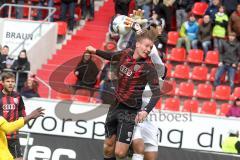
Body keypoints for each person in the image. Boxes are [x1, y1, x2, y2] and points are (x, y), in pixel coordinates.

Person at [86, 27, 161, 160]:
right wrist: (95, 51)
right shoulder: (126, 53)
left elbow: (156, 93)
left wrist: (145, 111)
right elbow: (111, 56)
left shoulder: (148, 67)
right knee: (108, 147)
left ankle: (133, 150)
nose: (148, 50)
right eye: (147, 46)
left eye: (151, 47)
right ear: (138, 44)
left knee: (120, 153)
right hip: (114, 107)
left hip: (130, 111)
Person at [0, 72, 27, 159]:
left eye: (13, 81)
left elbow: (21, 110)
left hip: (13, 136)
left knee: (19, 158)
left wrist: (22, 118)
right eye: (8, 81)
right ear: (2, 82)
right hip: (1, 137)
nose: (11, 83)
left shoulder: (18, 96)